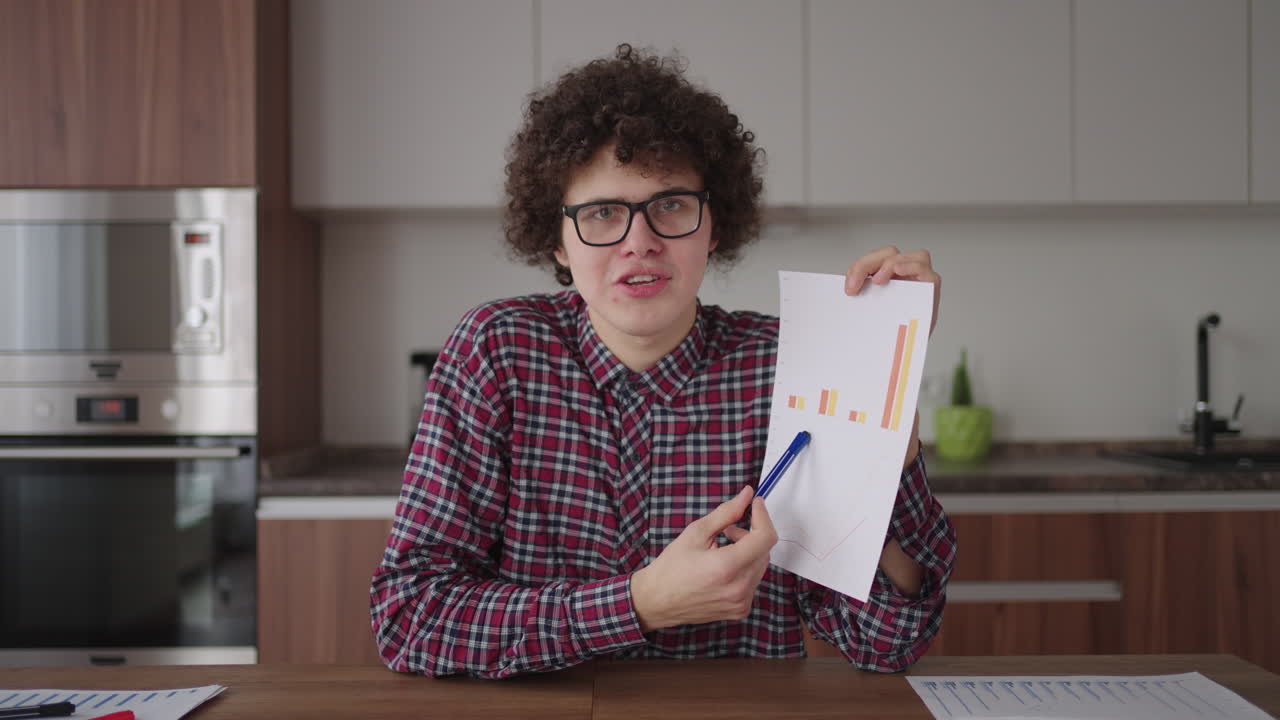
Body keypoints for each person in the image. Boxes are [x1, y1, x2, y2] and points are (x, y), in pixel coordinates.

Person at [370, 44, 956, 680]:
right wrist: (640, 603)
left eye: (671, 205)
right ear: (557, 240)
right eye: (601, 213)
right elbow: (411, 618)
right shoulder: (497, 350)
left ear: (715, 225)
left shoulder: (789, 366)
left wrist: (885, 445)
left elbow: (885, 643)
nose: (639, 242)